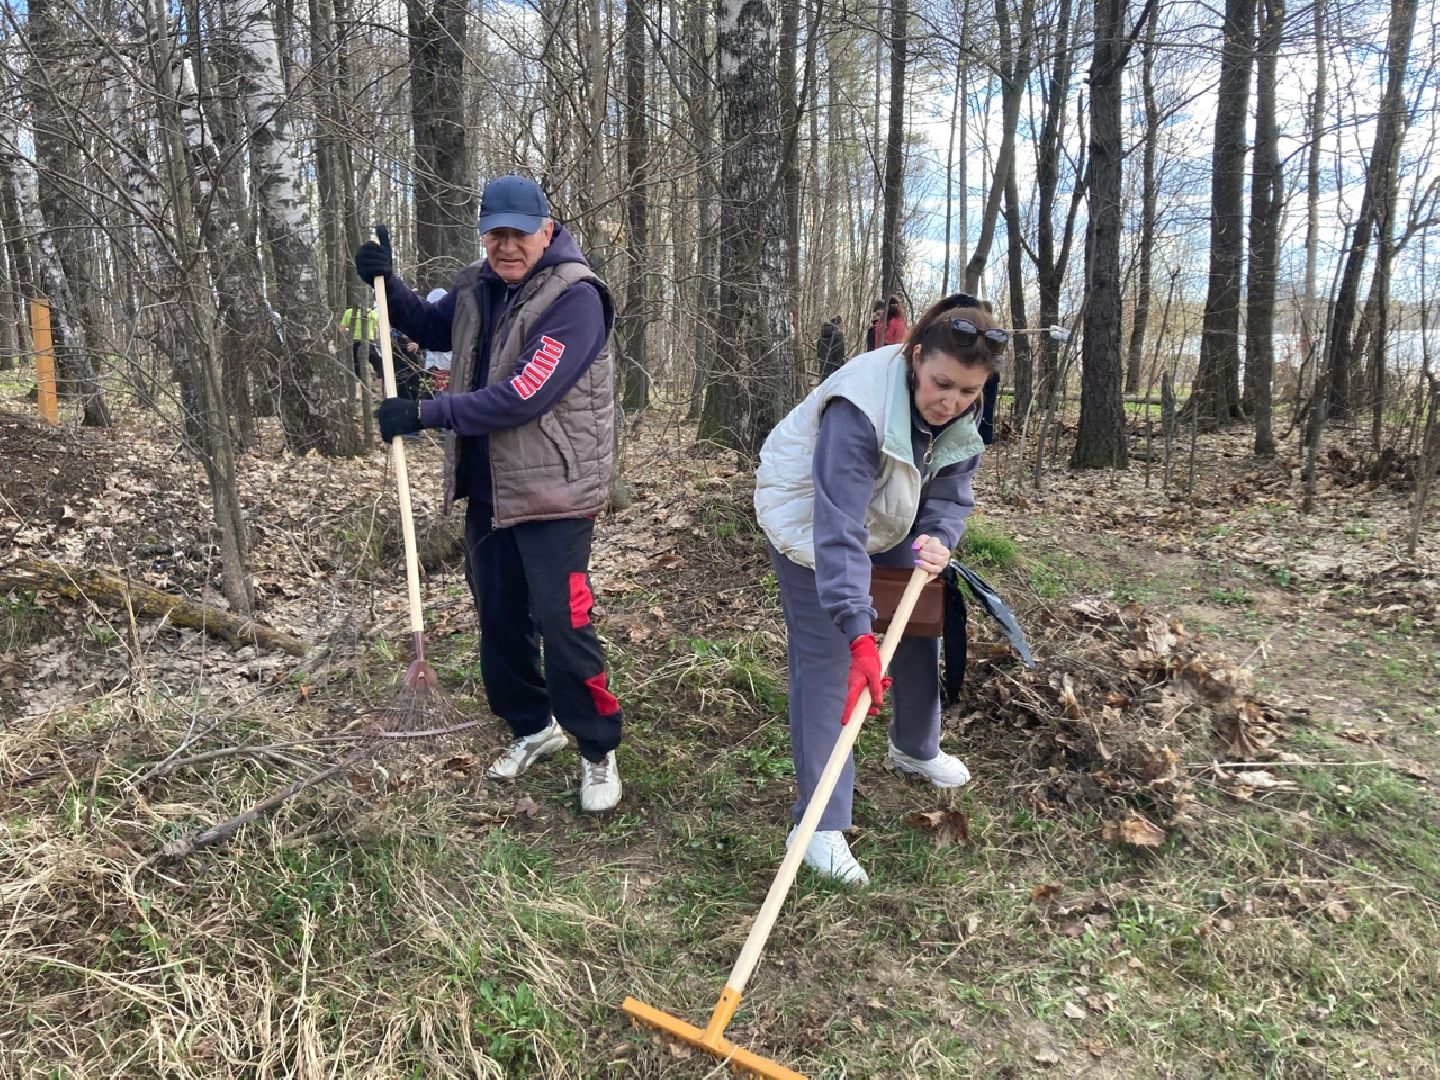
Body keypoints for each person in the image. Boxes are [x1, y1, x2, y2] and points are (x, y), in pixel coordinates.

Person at [353, 174, 624, 813]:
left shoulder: (576, 298)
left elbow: (526, 393)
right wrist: (387, 285)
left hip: (557, 490)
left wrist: (424, 412)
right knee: (499, 617)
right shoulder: (478, 288)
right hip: (491, 488)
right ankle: (533, 726)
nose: (507, 245)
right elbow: (430, 325)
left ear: (547, 230)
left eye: (519, 233)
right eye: (495, 233)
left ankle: (596, 749)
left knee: (562, 622)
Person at [753, 293, 1007, 884]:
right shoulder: (858, 408)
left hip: (891, 508)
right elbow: (837, 526)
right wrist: (856, 628)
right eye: (941, 384)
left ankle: (914, 746)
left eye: (968, 391)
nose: (953, 402)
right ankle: (817, 825)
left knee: (919, 618)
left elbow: (950, 490)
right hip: (807, 515)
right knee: (831, 661)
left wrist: (938, 537)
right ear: (915, 358)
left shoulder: (965, 404)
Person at [422, 287, 453, 393]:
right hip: (436, 368)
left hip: (446, 368)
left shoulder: (451, 322)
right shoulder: (431, 322)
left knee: (443, 396)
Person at [339, 304, 379, 380]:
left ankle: (358, 386)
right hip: (369, 342)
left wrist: (349, 331)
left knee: (356, 367)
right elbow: (375, 331)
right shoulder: (373, 313)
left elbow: (341, 329)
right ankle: (381, 386)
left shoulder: (349, 312)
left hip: (355, 342)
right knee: (379, 364)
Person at [816, 315, 846, 382]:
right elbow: (839, 356)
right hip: (834, 372)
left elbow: (818, 354)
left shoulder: (822, 335)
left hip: (823, 370)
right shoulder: (838, 336)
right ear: (839, 324)